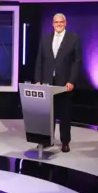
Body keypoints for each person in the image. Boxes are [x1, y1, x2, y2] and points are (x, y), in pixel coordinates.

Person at [34, 13, 83, 153]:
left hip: (64, 85)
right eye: (56, 22)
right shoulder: (45, 39)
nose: (58, 24)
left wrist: (71, 81)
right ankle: (46, 140)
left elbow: (77, 62)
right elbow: (39, 61)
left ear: (65, 23)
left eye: (61, 22)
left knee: (65, 114)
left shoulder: (74, 38)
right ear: (52, 23)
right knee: (47, 114)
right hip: (47, 84)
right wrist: (38, 80)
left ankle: (65, 142)